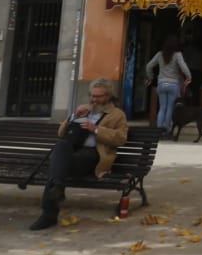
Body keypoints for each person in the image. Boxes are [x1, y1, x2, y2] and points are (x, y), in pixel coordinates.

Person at [30, 78, 129, 231]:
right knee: (61, 147)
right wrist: (73, 117)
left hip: (94, 156)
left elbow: (121, 138)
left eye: (98, 96)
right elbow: (61, 133)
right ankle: (57, 188)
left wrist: (95, 129)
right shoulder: (85, 110)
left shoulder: (117, 115)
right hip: (72, 153)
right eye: (92, 95)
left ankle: (48, 215)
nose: (94, 99)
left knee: (57, 168)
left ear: (108, 96)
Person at [146, 41, 192, 136]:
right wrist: (188, 77)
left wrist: (150, 77)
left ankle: (158, 130)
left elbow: (148, 66)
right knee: (170, 108)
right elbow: (183, 67)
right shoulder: (177, 55)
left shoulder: (159, 54)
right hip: (173, 84)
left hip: (161, 84)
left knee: (162, 108)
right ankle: (167, 131)